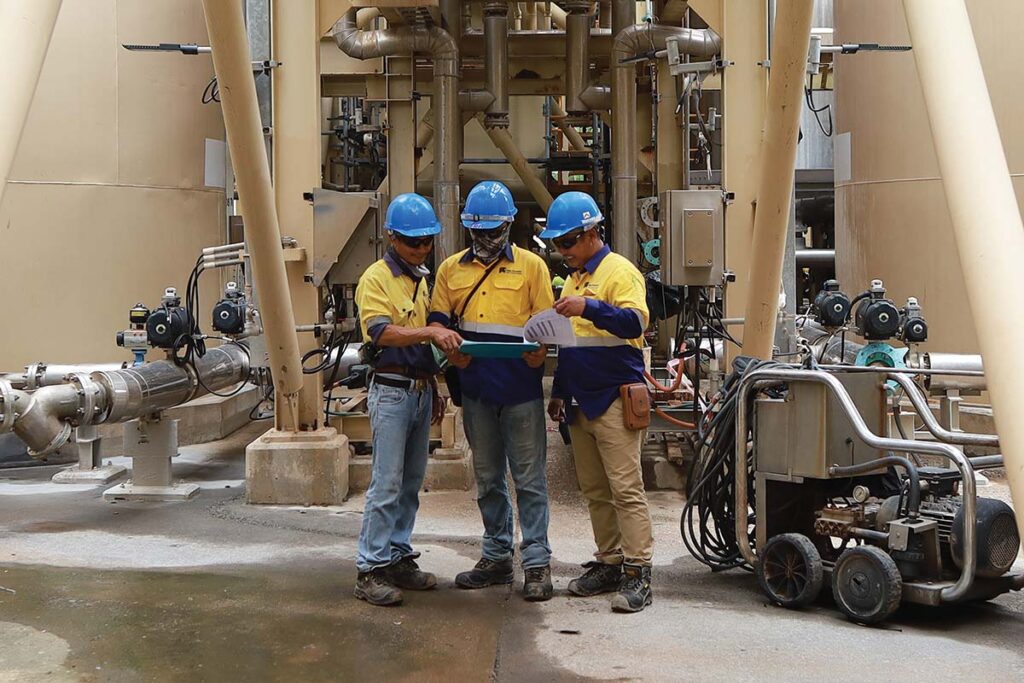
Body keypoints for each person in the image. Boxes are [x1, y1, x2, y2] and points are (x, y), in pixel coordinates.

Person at [428, 180, 555, 601]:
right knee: (487, 479)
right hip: (477, 391)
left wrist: (541, 353)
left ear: (509, 226)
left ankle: (536, 563)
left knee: (530, 479)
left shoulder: (533, 267)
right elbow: (439, 324)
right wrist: (450, 352)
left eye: (493, 231)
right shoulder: (450, 270)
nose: (485, 240)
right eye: (478, 232)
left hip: (520, 391)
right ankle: (498, 556)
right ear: (468, 227)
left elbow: (545, 328)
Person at [542, 191, 655, 613]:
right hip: (580, 402)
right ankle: (610, 561)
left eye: (568, 242)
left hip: (612, 398)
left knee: (626, 489)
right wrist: (558, 394)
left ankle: (639, 571)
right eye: (558, 245)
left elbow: (634, 322)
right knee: (594, 489)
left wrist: (588, 305)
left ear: (591, 233)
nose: (563, 251)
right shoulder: (573, 279)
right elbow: (571, 346)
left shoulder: (618, 272)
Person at [353, 192, 464, 607]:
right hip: (392, 393)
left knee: (411, 483)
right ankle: (370, 568)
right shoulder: (377, 278)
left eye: (426, 241)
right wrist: (431, 333)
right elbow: (381, 333)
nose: (421, 248)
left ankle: (397, 556)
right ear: (392, 237)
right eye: (413, 242)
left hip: (417, 392)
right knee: (386, 483)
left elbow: (417, 343)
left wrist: (433, 385)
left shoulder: (419, 278)